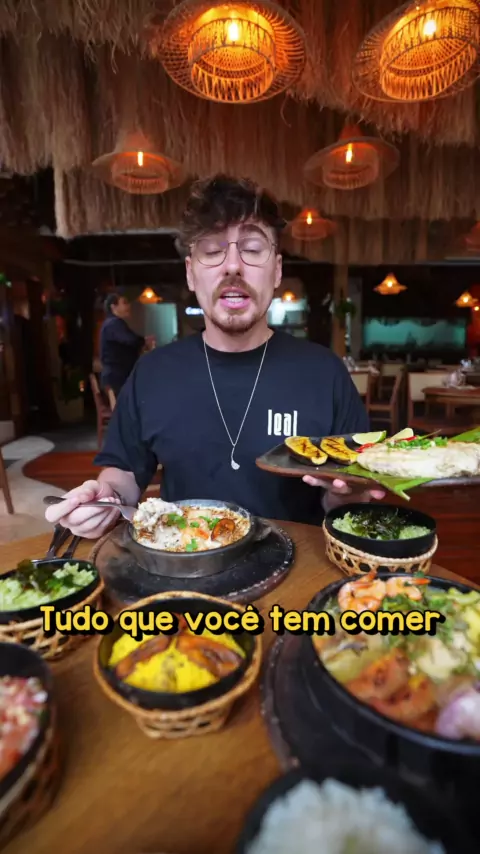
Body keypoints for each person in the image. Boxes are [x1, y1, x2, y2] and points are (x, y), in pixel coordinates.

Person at [45, 174, 384, 539]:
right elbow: (123, 473)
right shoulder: (154, 372)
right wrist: (106, 499)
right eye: (211, 251)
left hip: (299, 569)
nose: (233, 266)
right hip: (182, 564)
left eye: (252, 249)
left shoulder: (324, 373)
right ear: (191, 273)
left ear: (277, 271)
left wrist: (349, 494)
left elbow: (347, 501)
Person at [99, 293, 151, 397]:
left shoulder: (111, 323)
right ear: (113, 307)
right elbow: (130, 340)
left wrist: (143, 341)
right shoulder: (113, 323)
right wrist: (144, 342)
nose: (128, 306)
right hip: (118, 379)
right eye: (124, 303)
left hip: (117, 377)